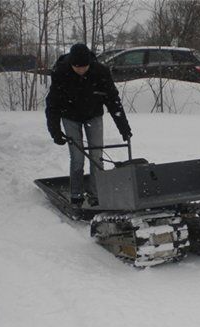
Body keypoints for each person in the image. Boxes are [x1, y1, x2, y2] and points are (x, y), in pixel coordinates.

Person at [45, 43, 132, 207]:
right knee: (77, 158)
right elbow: (52, 105)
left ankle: (96, 194)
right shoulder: (60, 73)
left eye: (84, 67)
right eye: (77, 67)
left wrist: (124, 127)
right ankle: (76, 194)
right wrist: (55, 131)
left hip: (93, 116)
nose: (81, 70)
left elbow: (113, 101)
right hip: (69, 116)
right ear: (71, 64)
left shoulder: (101, 72)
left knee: (96, 155)